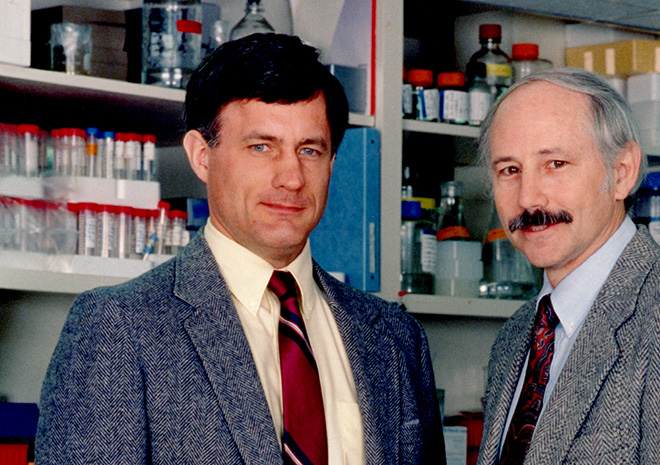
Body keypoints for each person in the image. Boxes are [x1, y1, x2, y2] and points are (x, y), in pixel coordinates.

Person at [36, 33, 445, 465]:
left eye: (310, 150)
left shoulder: (395, 338)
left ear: (332, 164)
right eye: (261, 147)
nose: (291, 178)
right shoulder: (119, 330)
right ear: (201, 156)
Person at [475, 68, 660, 464]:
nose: (529, 199)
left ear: (622, 172)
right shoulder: (516, 337)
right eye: (509, 170)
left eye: (555, 164)